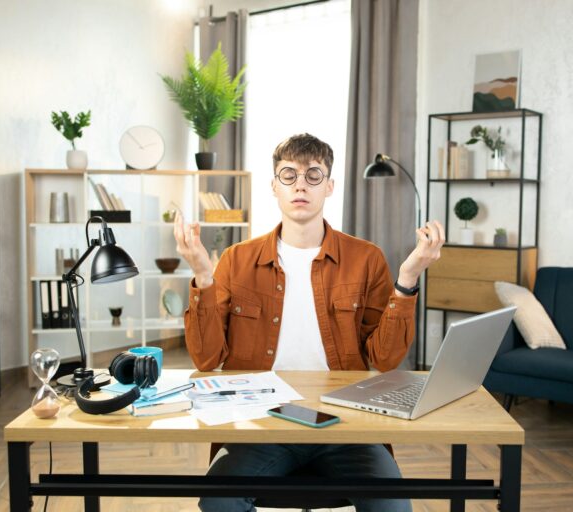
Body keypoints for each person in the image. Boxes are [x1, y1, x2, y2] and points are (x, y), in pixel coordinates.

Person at [174, 133, 445, 512]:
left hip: (347, 424)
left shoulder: (366, 258)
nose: (300, 184)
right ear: (274, 186)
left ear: (329, 186)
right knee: (219, 501)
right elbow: (206, 359)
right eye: (289, 175)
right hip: (262, 424)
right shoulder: (237, 260)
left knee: (393, 507)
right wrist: (203, 274)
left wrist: (408, 278)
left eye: (313, 175)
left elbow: (384, 360)